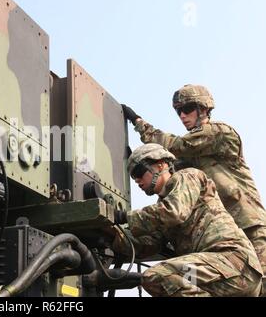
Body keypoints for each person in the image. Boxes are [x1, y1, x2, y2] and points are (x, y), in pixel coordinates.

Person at [121, 84, 266, 293]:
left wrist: (139, 124)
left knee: (259, 287)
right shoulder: (185, 166)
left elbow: (176, 147)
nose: (182, 115)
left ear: (204, 108)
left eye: (187, 108)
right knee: (186, 281)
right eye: (178, 111)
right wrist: (140, 161)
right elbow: (163, 169)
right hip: (214, 243)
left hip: (248, 226)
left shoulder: (221, 133)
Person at [112, 143, 262, 297]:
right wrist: (111, 233)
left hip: (233, 262)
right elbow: (148, 245)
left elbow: (174, 211)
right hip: (216, 274)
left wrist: (123, 216)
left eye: (139, 172)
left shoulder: (187, 177)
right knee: (168, 280)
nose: (137, 180)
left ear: (160, 165)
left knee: (158, 276)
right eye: (133, 177)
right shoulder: (161, 211)